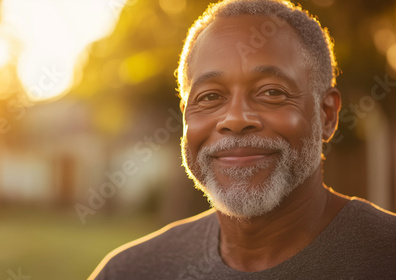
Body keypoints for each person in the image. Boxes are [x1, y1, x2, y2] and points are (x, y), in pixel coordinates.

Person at [89, 0, 396, 279]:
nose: (235, 119)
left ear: (327, 115)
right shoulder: (130, 271)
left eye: (272, 92)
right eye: (210, 96)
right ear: (186, 117)